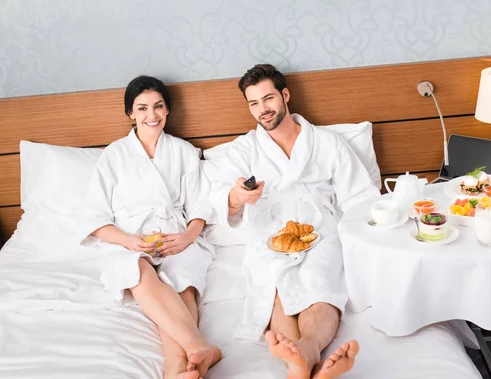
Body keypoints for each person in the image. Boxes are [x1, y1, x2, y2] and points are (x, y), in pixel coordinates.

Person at [210, 64, 380, 378]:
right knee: (272, 286)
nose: (263, 109)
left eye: (268, 98)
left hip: (319, 229)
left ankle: (304, 354)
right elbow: (221, 195)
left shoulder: (327, 143)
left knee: (319, 282)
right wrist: (238, 197)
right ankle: (306, 361)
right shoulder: (245, 149)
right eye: (254, 103)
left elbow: (359, 198)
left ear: (285, 95)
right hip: (269, 234)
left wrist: (369, 240)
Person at [80, 76, 221, 379]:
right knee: (137, 270)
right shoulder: (114, 156)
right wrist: (129, 241)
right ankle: (199, 346)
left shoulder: (184, 151)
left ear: (168, 110)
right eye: (142, 108)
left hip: (175, 235)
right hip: (129, 240)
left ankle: (176, 370)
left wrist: (187, 238)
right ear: (130, 113)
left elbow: (200, 206)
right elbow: (95, 219)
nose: (151, 115)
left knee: (183, 282)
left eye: (158, 106)